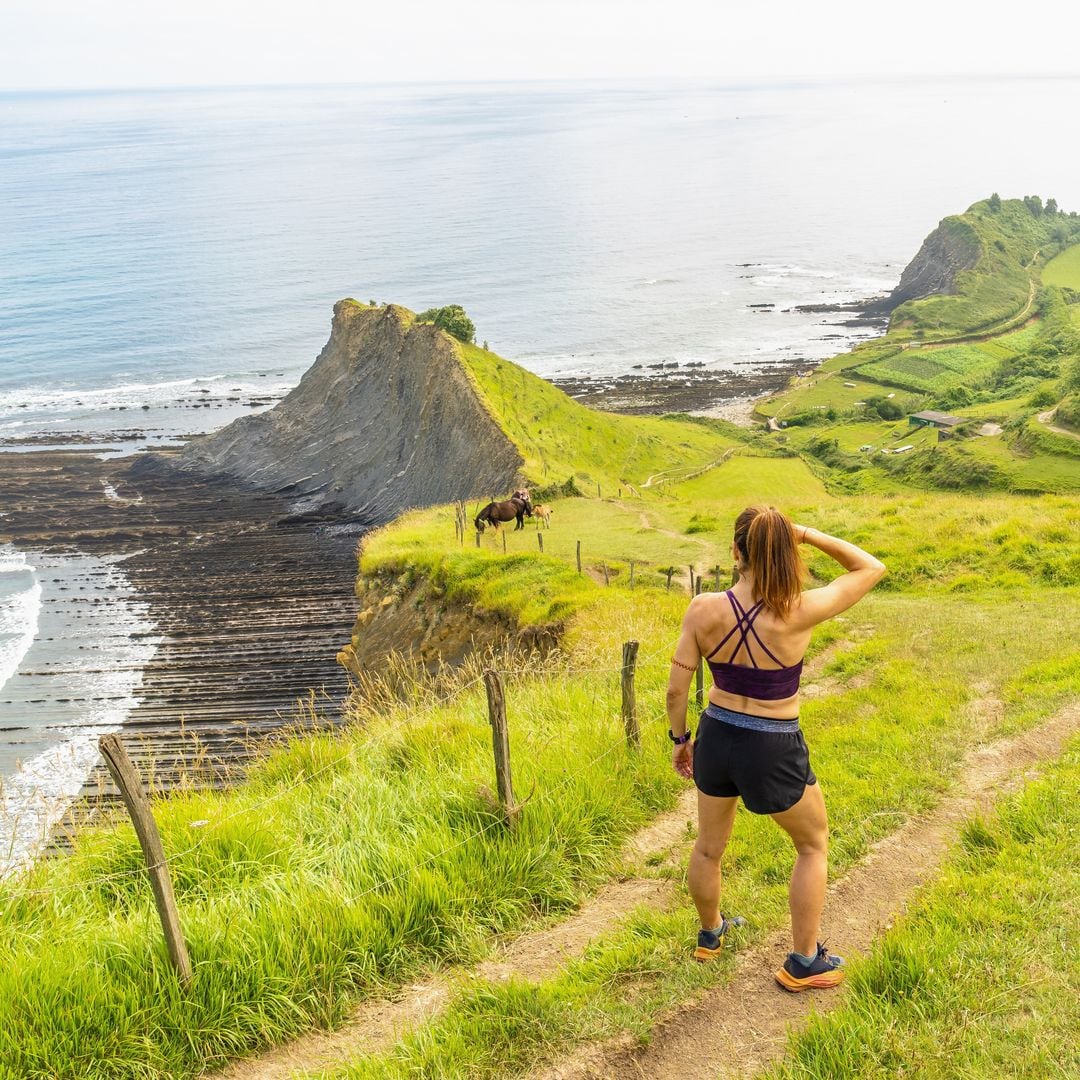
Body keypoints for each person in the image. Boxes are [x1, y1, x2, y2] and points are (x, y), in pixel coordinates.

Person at [666, 505, 886, 992]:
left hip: (716, 734)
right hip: (772, 744)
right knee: (811, 844)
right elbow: (870, 567)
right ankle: (805, 962)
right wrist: (803, 533)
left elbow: (676, 691)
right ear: (784, 551)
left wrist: (682, 741)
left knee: (707, 848)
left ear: (735, 552)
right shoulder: (799, 608)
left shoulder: (702, 608)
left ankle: (710, 935)